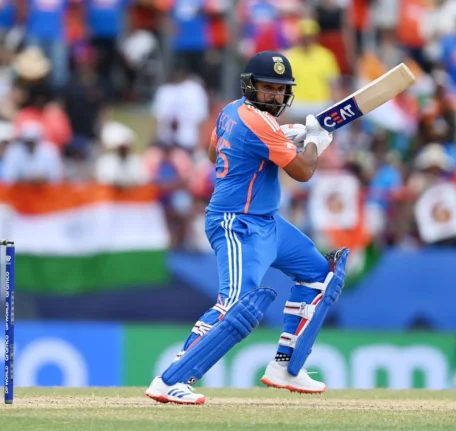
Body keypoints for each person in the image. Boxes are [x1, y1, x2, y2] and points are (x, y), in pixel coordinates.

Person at [145, 51, 349, 405]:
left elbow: (215, 153)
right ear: (250, 86)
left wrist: (283, 137)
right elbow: (303, 171)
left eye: (280, 89)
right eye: (267, 87)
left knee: (320, 276)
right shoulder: (259, 123)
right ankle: (171, 379)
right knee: (235, 304)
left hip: (267, 220)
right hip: (237, 222)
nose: (274, 95)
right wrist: (314, 142)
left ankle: (285, 365)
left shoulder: (229, 111)